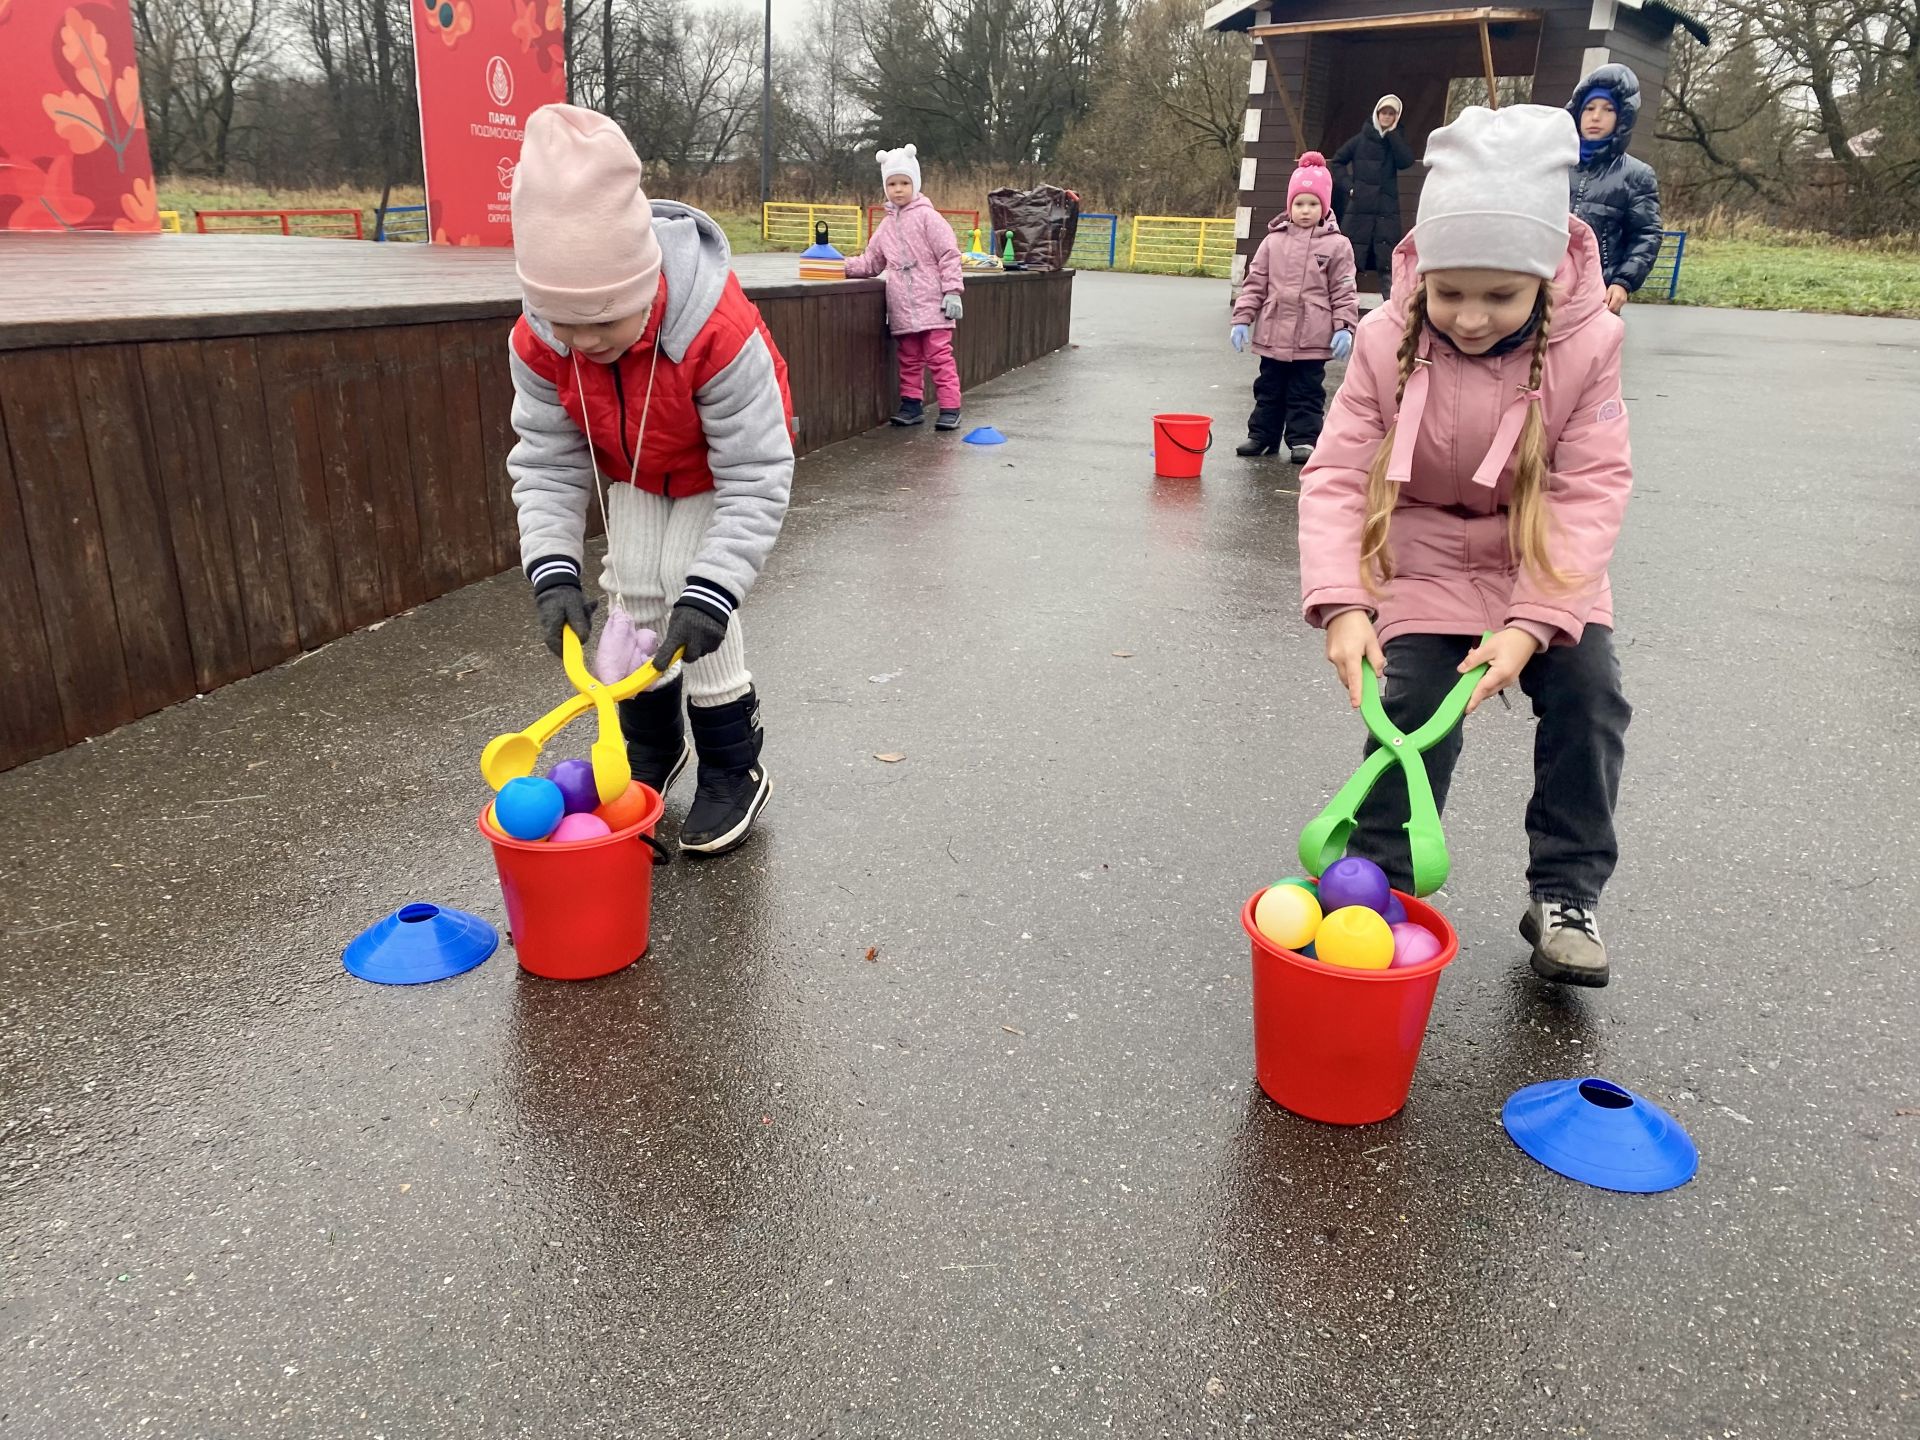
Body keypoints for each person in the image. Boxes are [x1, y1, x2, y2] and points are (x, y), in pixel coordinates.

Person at [1297, 104, 1634, 987]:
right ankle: (1380, 886)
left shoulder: (1588, 345)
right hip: (1429, 555)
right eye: (1450, 293)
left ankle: (1565, 891)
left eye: (1500, 295)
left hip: (1541, 557)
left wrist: (1532, 626)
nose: (1471, 317)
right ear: (1422, 273)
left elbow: (1589, 488)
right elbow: (1336, 472)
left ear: (1543, 284)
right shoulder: (1385, 340)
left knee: (1590, 697)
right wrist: (1342, 604)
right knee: (1409, 706)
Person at [506, 104, 793, 856]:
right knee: (632, 584)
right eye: (564, 326)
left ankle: (735, 764)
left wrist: (713, 591)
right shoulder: (542, 343)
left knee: (684, 589)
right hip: (631, 465)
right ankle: (652, 752)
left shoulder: (715, 333)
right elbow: (544, 458)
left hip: (717, 470)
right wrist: (552, 572)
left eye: (604, 322)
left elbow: (759, 472)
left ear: (646, 283)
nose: (586, 346)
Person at [1229, 151, 1359, 461]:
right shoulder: (1273, 241)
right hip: (1274, 334)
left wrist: (1344, 327)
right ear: (1290, 205)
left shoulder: (1337, 245)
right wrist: (1242, 319)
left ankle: (1304, 440)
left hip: (1311, 337)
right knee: (1268, 389)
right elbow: (1255, 282)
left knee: (1306, 392)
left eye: (1313, 204)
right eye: (1299, 204)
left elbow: (1344, 289)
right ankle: (1262, 436)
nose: (1305, 210)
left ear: (1325, 206)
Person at [843, 144, 967, 431]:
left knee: (939, 357)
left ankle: (950, 406)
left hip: (933, 302)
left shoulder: (928, 217)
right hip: (902, 307)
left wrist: (952, 291)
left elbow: (949, 254)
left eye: (904, 183)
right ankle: (911, 405)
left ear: (915, 183)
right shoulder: (885, 227)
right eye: (892, 184)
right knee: (909, 358)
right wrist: (843, 266)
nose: (898, 189)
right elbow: (872, 262)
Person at [1567, 64, 1663, 315]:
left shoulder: (1636, 175)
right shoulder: (1557, 164)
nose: (1596, 117)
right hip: (1550, 288)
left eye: (1608, 109)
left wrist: (1623, 281)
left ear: (1623, 116)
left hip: (1600, 290)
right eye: (1589, 108)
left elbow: (1646, 234)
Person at [1330, 94, 1415, 300]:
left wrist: (1393, 136)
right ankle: (1341, 307)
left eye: (1391, 113)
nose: (1386, 117)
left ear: (1396, 117)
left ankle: (1392, 310)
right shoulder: (1359, 140)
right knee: (1349, 262)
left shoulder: (1396, 141)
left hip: (1386, 211)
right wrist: (1349, 187)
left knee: (1387, 265)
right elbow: (1338, 162)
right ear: (1377, 113)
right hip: (1359, 209)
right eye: (1384, 112)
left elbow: (1406, 161)